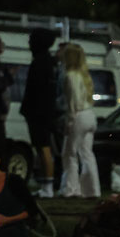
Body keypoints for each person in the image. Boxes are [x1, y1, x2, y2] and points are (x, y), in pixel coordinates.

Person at [58, 43, 101, 198]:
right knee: (87, 154)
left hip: (79, 116)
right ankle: (92, 190)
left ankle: (71, 189)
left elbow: (72, 103)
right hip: (90, 115)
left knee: (69, 153)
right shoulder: (84, 75)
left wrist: (69, 122)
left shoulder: (70, 76)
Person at [20, 28, 58, 198]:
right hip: (42, 113)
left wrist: (31, 110)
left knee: (44, 148)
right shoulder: (47, 62)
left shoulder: (40, 63)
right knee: (42, 148)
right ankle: (45, 185)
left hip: (39, 114)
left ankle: (48, 186)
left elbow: (37, 91)